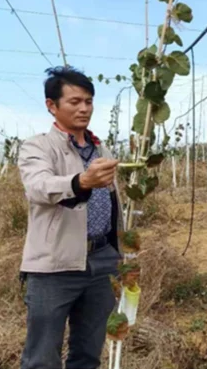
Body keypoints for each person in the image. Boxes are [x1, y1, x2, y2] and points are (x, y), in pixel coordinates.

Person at [18, 66, 123, 369]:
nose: (84, 108)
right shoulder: (38, 146)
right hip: (55, 264)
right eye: (74, 101)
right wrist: (80, 182)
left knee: (88, 353)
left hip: (103, 261)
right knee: (42, 358)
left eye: (88, 101)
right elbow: (39, 187)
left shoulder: (99, 147)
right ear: (52, 105)